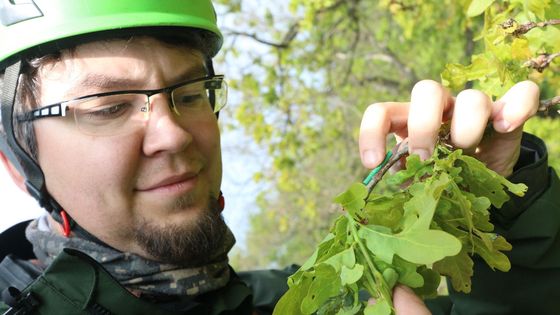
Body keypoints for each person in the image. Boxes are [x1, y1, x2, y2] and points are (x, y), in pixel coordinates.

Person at [0, 1, 558, 314]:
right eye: (107, 106)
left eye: (190, 93)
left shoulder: (320, 301)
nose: (172, 134)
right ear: (17, 161)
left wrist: (500, 194)